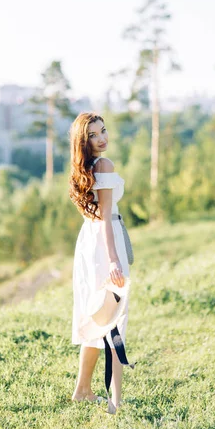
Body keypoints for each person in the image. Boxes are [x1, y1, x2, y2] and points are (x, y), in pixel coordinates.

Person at [69, 112, 132, 413]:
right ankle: (115, 402)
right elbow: (106, 216)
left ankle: (83, 389)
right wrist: (113, 260)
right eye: (93, 135)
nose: (102, 138)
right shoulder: (103, 165)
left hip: (89, 242)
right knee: (114, 318)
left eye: (103, 131)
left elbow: (95, 216)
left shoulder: (84, 169)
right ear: (84, 141)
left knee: (99, 314)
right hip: (105, 243)